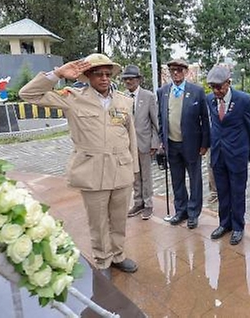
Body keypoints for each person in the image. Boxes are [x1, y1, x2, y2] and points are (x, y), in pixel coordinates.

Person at [18, 53, 139, 276]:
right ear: (87, 76)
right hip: (92, 170)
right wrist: (56, 74)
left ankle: (118, 255)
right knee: (98, 221)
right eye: (98, 74)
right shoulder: (72, 97)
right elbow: (28, 94)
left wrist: (134, 170)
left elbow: (130, 135)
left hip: (121, 168)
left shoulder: (125, 101)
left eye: (107, 74)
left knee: (119, 218)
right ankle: (103, 260)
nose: (104, 78)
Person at [206, 65, 250, 245]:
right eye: (212, 87)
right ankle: (224, 224)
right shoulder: (210, 100)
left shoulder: (243, 100)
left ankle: (238, 227)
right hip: (218, 155)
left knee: (237, 192)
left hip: (237, 155)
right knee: (222, 191)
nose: (215, 91)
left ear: (228, 83)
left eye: (218, 87)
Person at [157, 58, 210, 230]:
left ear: (186, 72)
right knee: (177, 179)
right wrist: (161, 140)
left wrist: (204, 143)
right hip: (171, 144)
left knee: (195, 180)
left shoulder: (197, 91)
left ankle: (193, 213)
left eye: (180, 70)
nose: (176, 73)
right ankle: (181, 210)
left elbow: (205, 120)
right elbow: (160, 117)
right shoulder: (163, 91)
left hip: (192, 145)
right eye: (173, 70)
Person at [121, 65, 160, 220]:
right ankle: (138, 203)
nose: (129, 81)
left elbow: (155, 122)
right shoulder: (122, 97)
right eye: (126, 79)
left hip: (145, 143)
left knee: (146, 176)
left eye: (132, 78)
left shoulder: (148, 96)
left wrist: (155, 143)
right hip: (128, 144)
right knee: (134, 175)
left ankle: (148, 204)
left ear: (138, 80)